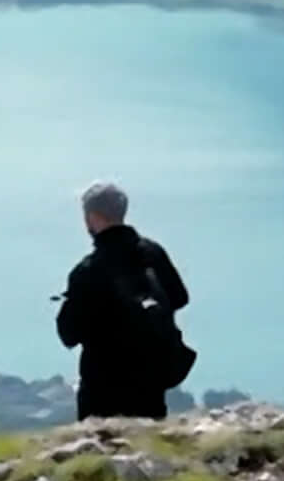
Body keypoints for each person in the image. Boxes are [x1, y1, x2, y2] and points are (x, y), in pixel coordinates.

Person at [55, 180, 193, 421]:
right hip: (151, 380)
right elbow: (179, 298)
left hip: (103, 389)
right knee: (150, 438)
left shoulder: (87, 271)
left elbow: (68, 334)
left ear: (92, 217)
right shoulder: (153, 253)